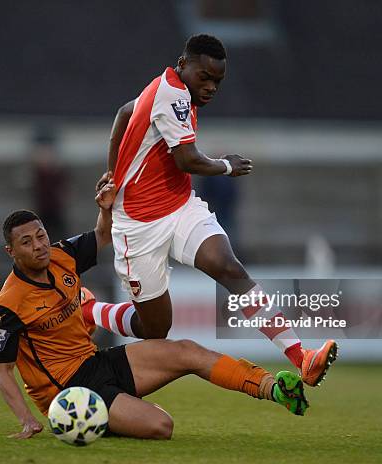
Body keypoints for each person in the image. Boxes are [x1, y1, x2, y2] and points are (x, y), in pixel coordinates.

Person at [0, 175, 308, 440]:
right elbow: (2, 371)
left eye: (40, 236)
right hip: (69, 389)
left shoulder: (62, 255)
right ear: (11, 251)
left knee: (186, 350)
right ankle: (79, 419)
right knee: (160, 426)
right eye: (26, 242)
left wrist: (106, 207)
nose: (39, 246)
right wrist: (27, 419)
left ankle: (273, 389)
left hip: (95, 361)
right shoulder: (8, 305)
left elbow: (102, 234)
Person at [98, 33, 337, 387]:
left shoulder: (171, 89)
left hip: (179, 208)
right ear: (183, 66)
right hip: (138, 225)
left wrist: (113, 172)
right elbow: (187, 159)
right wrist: (226, 165)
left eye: (217, 81)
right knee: (154, 327)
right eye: (204, 77)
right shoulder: (173, 94)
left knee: (228, 266)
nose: (210, 87)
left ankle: (302, 358)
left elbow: (124, 112)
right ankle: (91, 310)